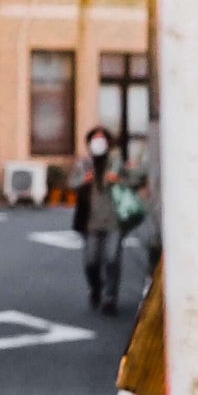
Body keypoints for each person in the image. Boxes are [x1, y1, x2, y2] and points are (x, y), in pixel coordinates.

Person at [72, 126, 125, 315]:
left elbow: (132, 181)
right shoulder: (83, 163)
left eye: (102, 138)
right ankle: (95, 288)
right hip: (90, 222)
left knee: (112, 259)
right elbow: (72, 183)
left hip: (114, 221)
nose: (98, 142)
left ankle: (110, 298)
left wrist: (119, 178)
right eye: (95, 138)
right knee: (91, 262)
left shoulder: (116, 162)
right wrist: (83, 181)